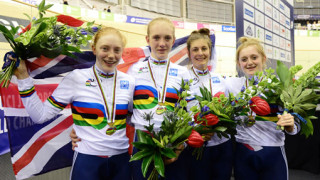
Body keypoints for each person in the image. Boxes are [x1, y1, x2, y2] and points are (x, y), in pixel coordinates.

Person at [13, 27, 135, 180]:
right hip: (87, 159)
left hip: (121, 160)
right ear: (94, 49)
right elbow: (41, 116)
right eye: (105, 48)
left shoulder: (129, 81)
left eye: (117, 50)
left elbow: (133, 118)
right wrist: (24, 78)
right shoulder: (76, 78)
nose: (111, 55)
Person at [127, 17, 191, 180]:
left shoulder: (183, 73)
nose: (162, 43)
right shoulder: (135, 70)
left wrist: (180, 146)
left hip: (173, 144)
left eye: (167, 38)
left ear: (173, 41)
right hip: (143, 142)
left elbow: (188, 112)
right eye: (156, 37)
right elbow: (125, 109)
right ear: (148, 39)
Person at [227, 37, 298, 180]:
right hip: (244, 152)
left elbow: (295, 124)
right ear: (238, 63)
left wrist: (291, 126)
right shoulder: (231, 86)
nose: (249, 62)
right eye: (244, 59)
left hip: (273, 152)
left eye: (254, 57)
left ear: (263, 59)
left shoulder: (278, 86)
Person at [185, 28, 233, 180]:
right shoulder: (182, 79)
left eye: (204, 48)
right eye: (195, 49)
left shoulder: (221, 79)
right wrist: (197, 129)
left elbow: (228, 110)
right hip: (196, 146)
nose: (200, 53)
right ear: (189, 53)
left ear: (210, 51)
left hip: (222, 145)